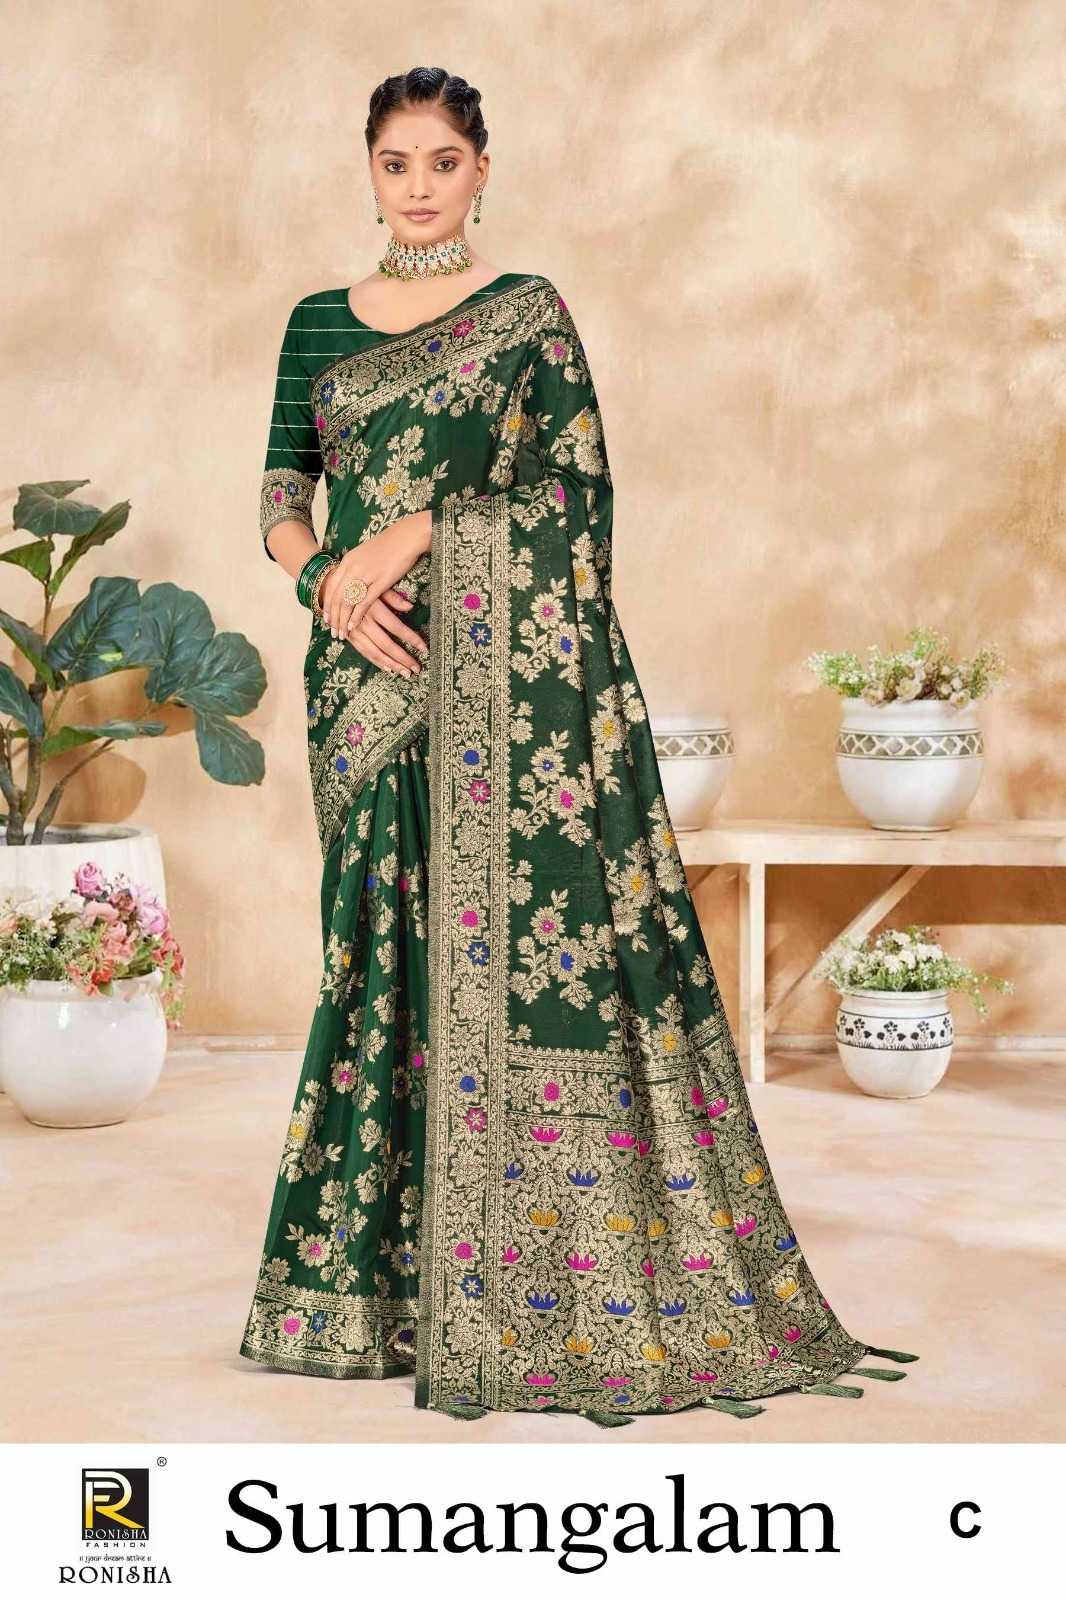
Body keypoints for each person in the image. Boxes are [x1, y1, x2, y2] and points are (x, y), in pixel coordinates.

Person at [238, 66, 917, 1426]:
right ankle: (365, 1297)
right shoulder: (316, 322)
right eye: (394, 163)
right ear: (367, 171)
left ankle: (517, 1284)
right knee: (375, 956)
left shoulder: (527, 314)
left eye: (441, 162)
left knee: (495, 959)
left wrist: (415, 535)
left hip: (499, 679)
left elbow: (577, 497)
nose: (418, 186)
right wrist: (324, 584)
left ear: (481, 171)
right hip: (361, 686)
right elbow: (278, 491)